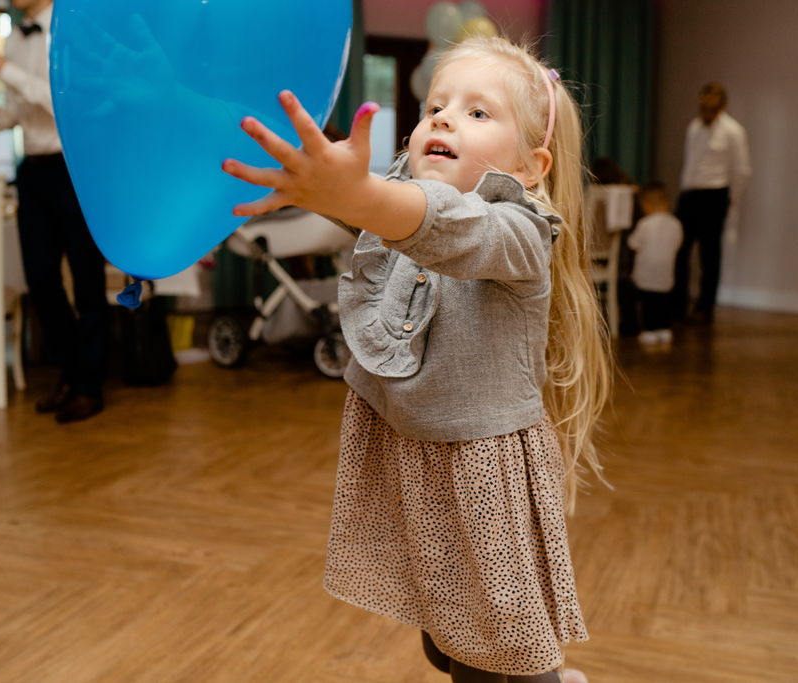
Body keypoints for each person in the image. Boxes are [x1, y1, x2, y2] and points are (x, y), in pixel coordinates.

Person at [223, 36, 609, 683]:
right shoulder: (397, 202)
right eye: (435, 104)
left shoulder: (519, 235)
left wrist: (354, 199)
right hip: (412, 459)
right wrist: (330, 192)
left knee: (494, 654)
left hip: (478, 474)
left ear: (532, 166)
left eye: (478, 112)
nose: (444, 117)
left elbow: (449, 227)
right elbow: (398, 209)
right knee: (449, 640)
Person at [0, 0, 110, 423]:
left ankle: (90, 386)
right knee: (41, 280)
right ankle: (70, 375)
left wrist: (3, 70)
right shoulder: (16, 37)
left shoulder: (71, 32)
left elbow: (62, 104)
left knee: (87, 280)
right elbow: (20, 112)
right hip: (32, 171)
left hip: (75, 170)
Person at [673, 81, 751, 323]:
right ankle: (678, 304)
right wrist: (684, 190)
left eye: (711, 107)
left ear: (723, 106)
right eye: (703, 106)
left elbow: (742, 170)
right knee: (679, 249)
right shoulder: (694, 127)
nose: (706, 111)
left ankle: (705, 307)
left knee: (709, 253)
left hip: (715, 194)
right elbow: (690, 162)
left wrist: (731, 200)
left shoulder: (733, 131)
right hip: (690, 193)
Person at [629, 182, 683, 348]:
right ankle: (665, 328)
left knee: (648, 303)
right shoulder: (676, 224)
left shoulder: (645, 224)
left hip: (646, 271)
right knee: (664, 302)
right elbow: (678, 244)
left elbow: (633, 243)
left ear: (645, 205)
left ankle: (650, 330)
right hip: (666, 272)